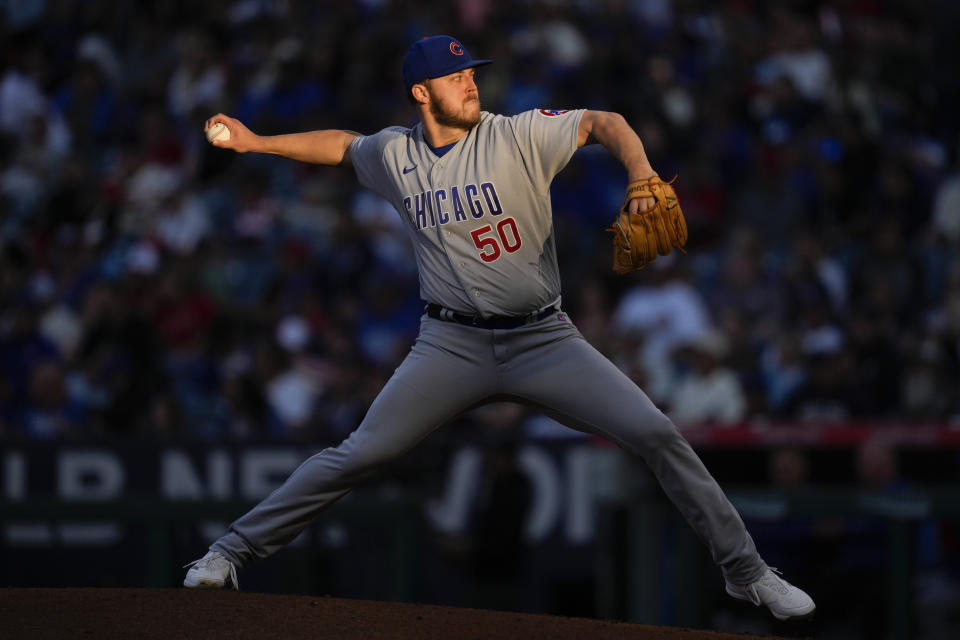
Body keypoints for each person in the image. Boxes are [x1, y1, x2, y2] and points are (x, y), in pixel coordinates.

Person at [183, 35, 815, 622]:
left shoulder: (516, 135)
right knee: (361, 453)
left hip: (544, 339)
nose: (470, 82)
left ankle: (747, 571)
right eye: (454, 76)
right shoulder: (395, 154)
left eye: (471, 72)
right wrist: (258, 142)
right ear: (421, 93)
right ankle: (228, 553)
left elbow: (604, 123)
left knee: (656, 432)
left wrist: (642, 170)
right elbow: (343, 144)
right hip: (449, 344)